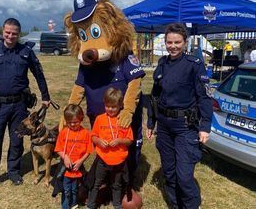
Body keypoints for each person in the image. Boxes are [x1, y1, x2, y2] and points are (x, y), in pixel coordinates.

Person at [0, 18, 50, 198]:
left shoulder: (26, 52)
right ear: (3, 32)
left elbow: (38, 73)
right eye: (7, 32)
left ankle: (14, 172)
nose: (10, 36)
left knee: (16, 142)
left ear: (19, 33)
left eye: (14, 33)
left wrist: (45, 96)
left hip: (19, 106)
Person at [146, 23, 212, 209]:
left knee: (184, 176)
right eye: (169, 42)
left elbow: (204, 97)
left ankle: (192, 205)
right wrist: (151, 122)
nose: (172, 46)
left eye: (177, 42)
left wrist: (205, 126)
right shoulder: (162, 64)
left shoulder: (194, 65)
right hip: (165, 127)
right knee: (169, 173)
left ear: (185, 43)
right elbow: (155, 96)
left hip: (185, 127)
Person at [87, 87, 134, 209]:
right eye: (107, 106)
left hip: (119, 160)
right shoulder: (100, 119)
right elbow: (93, 136)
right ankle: (90, 205)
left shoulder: (123, 120)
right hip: (103, 159)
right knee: (97, 183)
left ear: (120, 106)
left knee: (116, 184)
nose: (110, 109)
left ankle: (117, 205)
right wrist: (98, 141)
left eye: (113, 107)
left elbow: (129, 140)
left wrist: (119, 141)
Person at [54, 104, 92, 209]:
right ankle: (65, 206)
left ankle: (74, 204)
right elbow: (58, 148)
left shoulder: (85, 133)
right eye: (69, 122)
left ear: (81, 119)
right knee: (66, 190)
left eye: (75, 122)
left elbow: (88, 151)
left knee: (75, 189)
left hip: (77, 168)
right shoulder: (64, 133)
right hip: (66, 169)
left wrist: (80, 161)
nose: (72, 124)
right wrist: (65, 156)